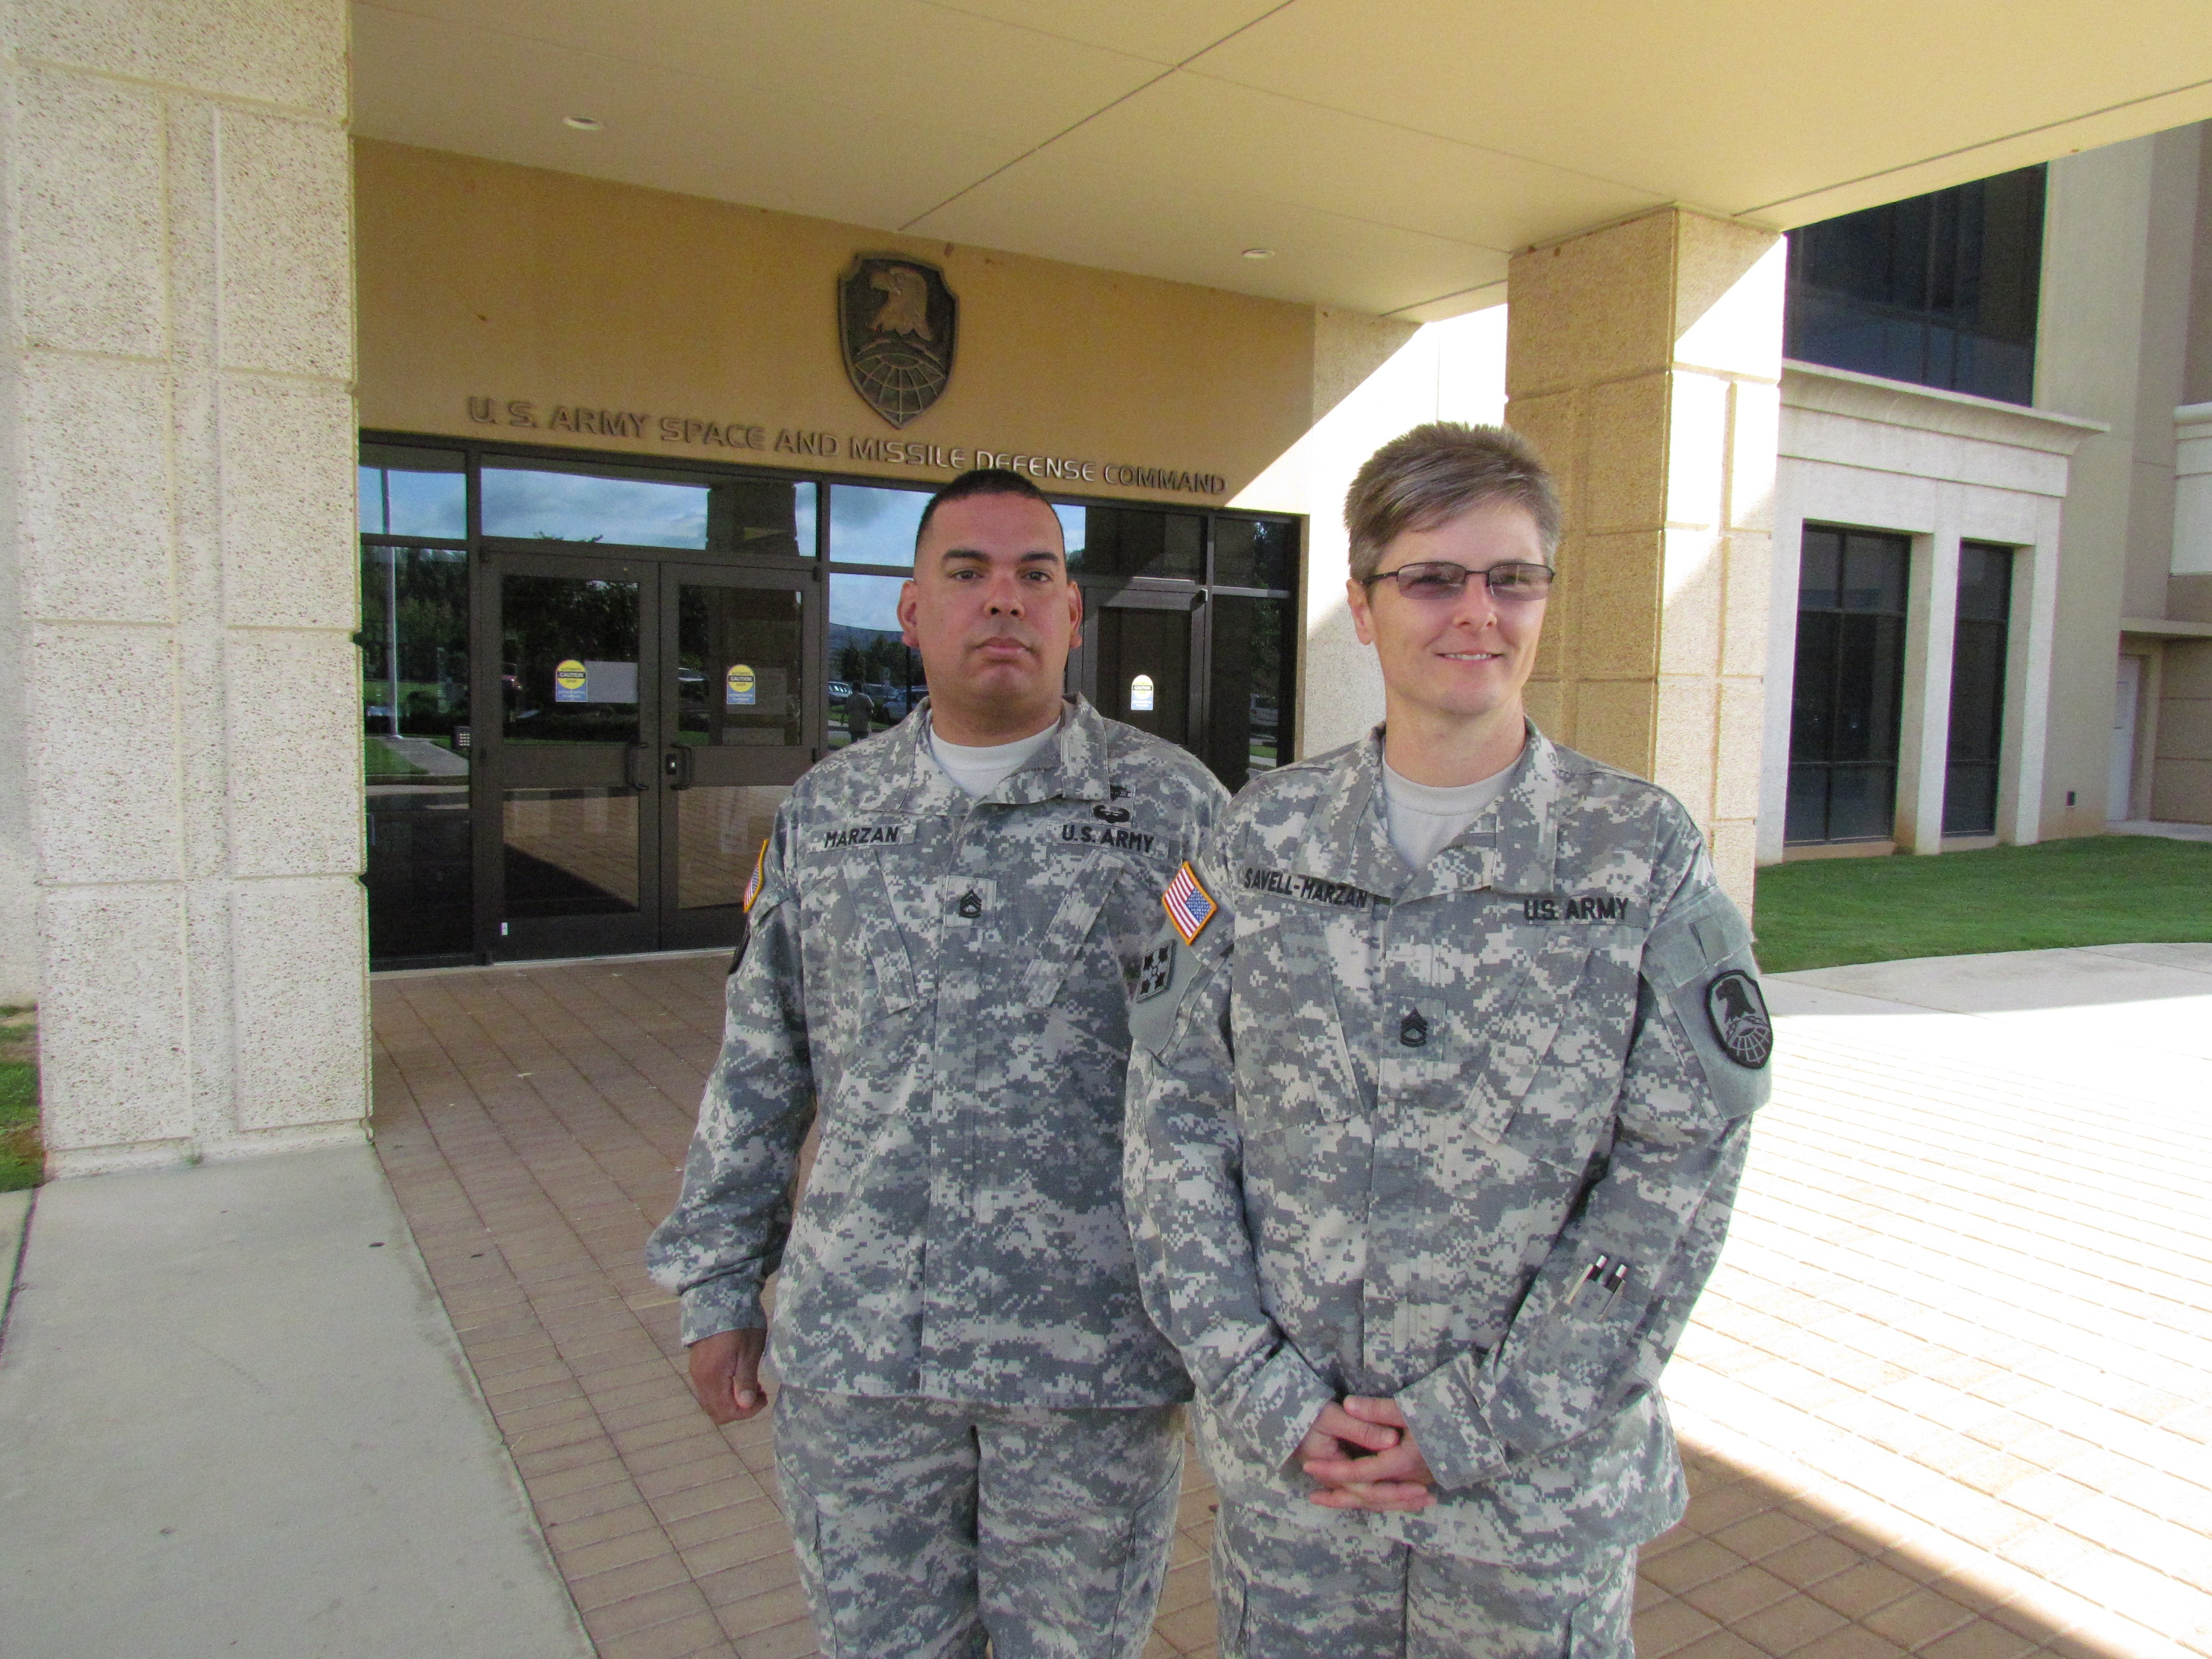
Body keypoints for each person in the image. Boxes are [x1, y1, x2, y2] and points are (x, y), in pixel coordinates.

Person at [1123, 423, 1772, 1658]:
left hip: (1530, 1508)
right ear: (1364, 608)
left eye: (1511, 578)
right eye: (1431, 577)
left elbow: (1681, 1171)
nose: (1477, 611)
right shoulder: (1261, 844)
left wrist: (1485, 1419)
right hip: (1303, 1496)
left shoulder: (1639, 855)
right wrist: (1260, 1392)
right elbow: (1170, 1124)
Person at [648, 467, 1228, 1659]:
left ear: (1074, 615)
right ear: (912, 612)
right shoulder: (830, 814)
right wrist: (719, 1287)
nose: (1002, 601)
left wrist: (1232, 1335)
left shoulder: (1178, 815)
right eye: (967, 574)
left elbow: (1238, 1089)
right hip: (862, 1362)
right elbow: (762, 1066)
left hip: (1092, 1369)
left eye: (1036, 575)